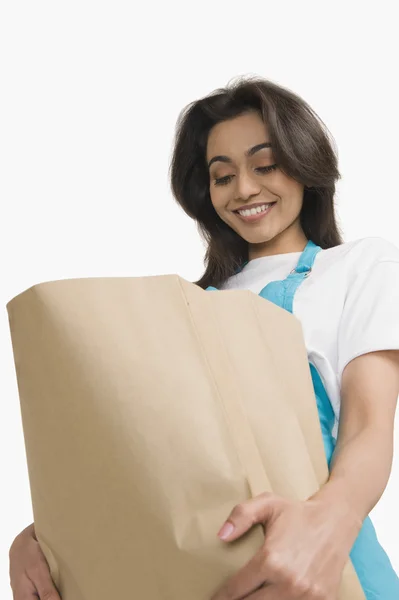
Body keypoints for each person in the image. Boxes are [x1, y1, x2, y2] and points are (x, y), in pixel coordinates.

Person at [9, 77, 399, 600]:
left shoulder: (358, 268)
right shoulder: (186, 309)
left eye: (265, 165)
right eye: (222, 176)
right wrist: (39, 541)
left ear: (306, 165)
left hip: (327, 572)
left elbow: (368, 429)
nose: (243, 190)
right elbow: (133, 461)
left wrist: (328, 525)